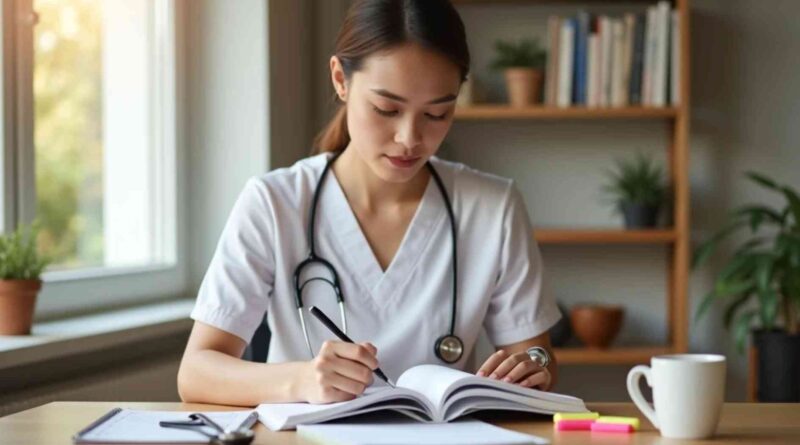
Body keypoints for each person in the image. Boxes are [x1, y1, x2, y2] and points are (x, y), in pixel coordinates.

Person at [177, 0, 562, 407]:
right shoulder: (275, 203)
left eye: (437, 113)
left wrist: (532, 366)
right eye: (386, 109)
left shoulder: (493, 207)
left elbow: (537, 355)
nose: (409, 138)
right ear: (340, 79)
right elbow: (197, 372)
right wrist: (301, 382)